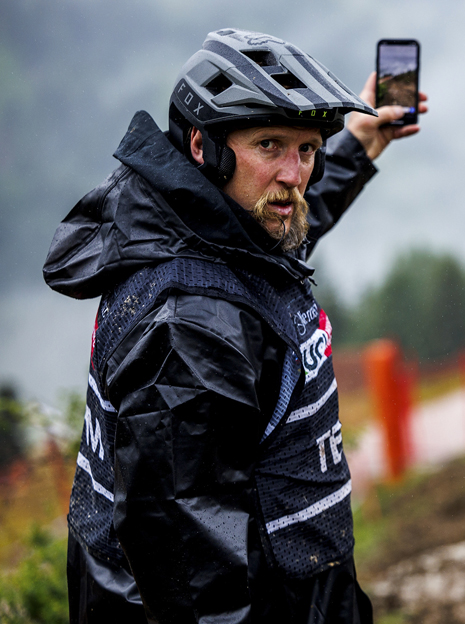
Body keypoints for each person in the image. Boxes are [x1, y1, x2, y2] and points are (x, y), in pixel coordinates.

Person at [42, 29, 428, 623]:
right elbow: (194, 592)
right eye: (270, 145)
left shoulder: (214, 232)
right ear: (203, 146)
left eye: (306, 150)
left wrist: (356, 146)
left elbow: (268, 248)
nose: (295, 174)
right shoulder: (190, 332)